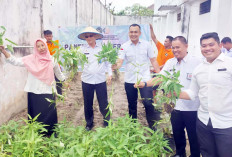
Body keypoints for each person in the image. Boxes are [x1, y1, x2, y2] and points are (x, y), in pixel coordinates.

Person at [135, 36, 201, 157]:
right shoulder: (171, 63)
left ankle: (195, 155)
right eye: (173, 48)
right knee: (177, 133)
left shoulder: (197, 62)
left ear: (186, 46)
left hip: (193, 108)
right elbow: (160, 78)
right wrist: (144, 84)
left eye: (178, 47)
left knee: (193, 136)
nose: (175, 50)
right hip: (175, 107)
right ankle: (180, 154)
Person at [178, 32, 232, 157]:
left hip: (226, 123)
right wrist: (175, 93)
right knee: (207, 154)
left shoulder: (229, 64)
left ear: (220, 45)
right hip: (203, 122)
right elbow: (192, 93)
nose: (207, 48)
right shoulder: (199, 69)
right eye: (204, 46)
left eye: (211, 44)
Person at [0, 38, 66, 136]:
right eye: (38, 46)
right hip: (34, 92)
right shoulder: (31, 59)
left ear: (46, 45)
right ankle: (37, 135)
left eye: (42, 45)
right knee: (36, 115)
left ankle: (50, 134)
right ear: (36, 48)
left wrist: (65, 80)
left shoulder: (53, 60)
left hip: (48, 91)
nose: (41, 48)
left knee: (49, 114)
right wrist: (3, 51)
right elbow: (15, 61)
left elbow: (59, 74)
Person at [112, 23, 161, 130]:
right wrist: (115, 66)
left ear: (140, 33)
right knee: (132, 105)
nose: (133, 34)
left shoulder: (147, 45)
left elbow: (153, 60)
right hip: (130, 80)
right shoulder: (124, 46)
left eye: (135, 32)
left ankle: (153, 127)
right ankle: (133, 127)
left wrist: (161, 76)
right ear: (128, 33)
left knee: (148, 103)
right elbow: (120, 61)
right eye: (131, 32)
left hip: (145, 79)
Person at [78, 26, 112, 131]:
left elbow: (108, 63)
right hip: (86, 80)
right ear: (84, 38)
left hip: (100, 80)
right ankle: (89, 123)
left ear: (96, 36)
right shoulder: (81, 50)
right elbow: (78, 64)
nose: (89, 38)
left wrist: (109, 74)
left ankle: (107, 121)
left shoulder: (102, 49)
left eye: (91, 35)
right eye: (87, 36)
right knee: (88, 103)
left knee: (103, 103)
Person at [44, 30, 63, 95]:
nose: (49, 37)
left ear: (52, 36)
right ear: (45, 36)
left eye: (50, 36)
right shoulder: (44, 45)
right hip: (49, 66)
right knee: (50, 81)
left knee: (59, 81)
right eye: (47, 36)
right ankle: (51, 94)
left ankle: (60, 94)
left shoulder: (56, 43)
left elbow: (59, 52)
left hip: (57, 64)